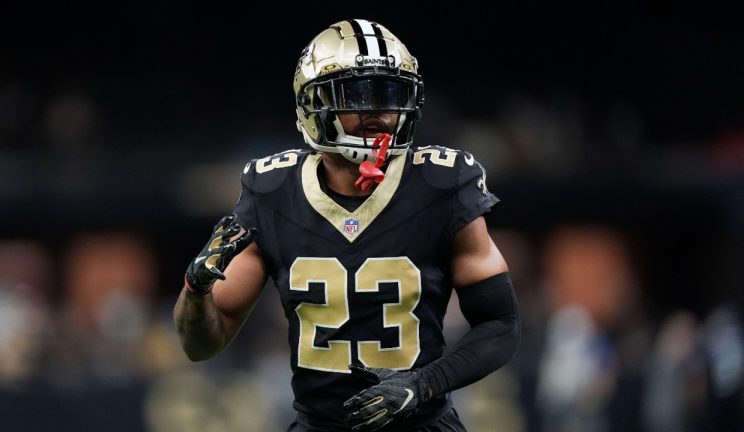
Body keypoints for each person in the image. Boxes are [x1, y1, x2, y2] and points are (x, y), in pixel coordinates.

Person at [174, 18, 520, 432]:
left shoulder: (442, 183)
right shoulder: (272, 190)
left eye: (391, 93)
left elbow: (500, 324)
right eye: (358, 94)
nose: (380, 112)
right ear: (313, 103)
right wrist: (196, 291)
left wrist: (424, 384)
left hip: (423, 423)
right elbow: (201, 344)